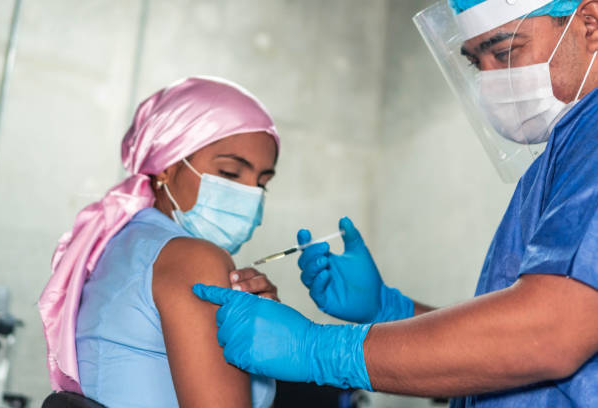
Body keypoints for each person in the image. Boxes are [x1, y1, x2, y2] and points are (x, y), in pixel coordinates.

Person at [193, 1, 598, 407]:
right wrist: (390, 310)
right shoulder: (568, 147)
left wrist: (317, 348)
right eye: (476, 64)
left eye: (505, 51)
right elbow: (512, 343)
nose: (489, 82)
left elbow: (551, 332)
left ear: (590, 24)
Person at [38, 77, 281, 407]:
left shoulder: (122, 240)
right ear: (167, 166)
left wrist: (267, 333)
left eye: (262, 184)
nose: (249, 196)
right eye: (229, 173)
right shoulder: (195, 259)